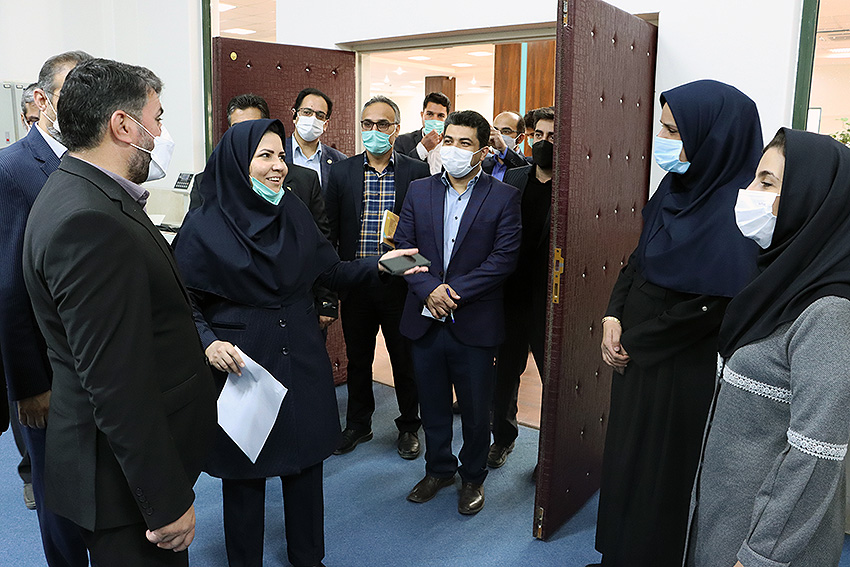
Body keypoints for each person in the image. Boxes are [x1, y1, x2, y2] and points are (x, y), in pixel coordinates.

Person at [173, 118, 425, 567]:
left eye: (280, 156)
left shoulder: (291, 210)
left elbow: (329, 271)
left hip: (302, 353)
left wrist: (380, 266)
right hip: (244, 365)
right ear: (237, 163)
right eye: (265, 156)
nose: (278, 166)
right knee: (245, 473)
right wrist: (207, 343)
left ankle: (308, 558)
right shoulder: (205, 223)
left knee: (307, 462)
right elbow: (181, 302)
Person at [22, 57, 217, 567]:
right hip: (122, 485)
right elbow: (116, 383)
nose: (161, 133)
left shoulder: (83, 190)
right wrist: (165, 502)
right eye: (157, 118)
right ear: (123, 125)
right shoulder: (89, 221)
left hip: (116, 468)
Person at [593, 80, 764, 567]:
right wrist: (612, 315)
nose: (662, 140)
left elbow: (711, 305)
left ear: (713, 137)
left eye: (673, 131)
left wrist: (636, 341)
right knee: (625, 459)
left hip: (678, 369)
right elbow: (638, 259)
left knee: (659, 473)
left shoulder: (735, 210)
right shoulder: (675, 187)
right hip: (636, 355)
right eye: (663, 128)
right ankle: (616, 556)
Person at [687, 129, 850, 567]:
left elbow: (816, 455)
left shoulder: (831, 313)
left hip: (764, 541)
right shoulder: (781, 282)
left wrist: (761, 556)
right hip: (731, 513)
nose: (750, 192)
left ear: (810, 199)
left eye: (767, 181)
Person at [395, 109, 522, 515]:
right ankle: (439, 469)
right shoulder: (419, 190)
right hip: (425, 318)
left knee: (475, 409)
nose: (453, 149)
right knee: (432, 404)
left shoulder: (503, 196)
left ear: (482, 151)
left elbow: (503, 259)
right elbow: (401, 250)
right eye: (448, 140)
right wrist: (429, 289)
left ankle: (472, 477)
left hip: (475, 321)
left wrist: (452, 292)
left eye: (464, 143)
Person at [0, 50, 93, 567]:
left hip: (94, 361)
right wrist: (29, 385)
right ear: (41, 99)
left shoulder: (92, 159)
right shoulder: (12, 169)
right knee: (57, 494)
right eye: (70, 92)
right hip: (48, 372)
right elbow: (8, 289)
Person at [325, 95, 430, 459]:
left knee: (404, 359)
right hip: (357, 281)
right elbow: (330, 232)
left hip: (401, 284)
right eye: (367, 124)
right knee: (358, 358)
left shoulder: (417, 172)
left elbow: (425, 232)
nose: (374, 130)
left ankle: (409, 425)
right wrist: (331, 284)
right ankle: (358, 424)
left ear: (396, 129)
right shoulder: (342, 172)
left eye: (382, 124)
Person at [489, 107, 554, 469]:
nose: (544, 142)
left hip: (550, 300)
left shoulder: (572, 184)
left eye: (553, 136)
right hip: (511, 295)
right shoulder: (513, 177)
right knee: (504, 374)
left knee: (553, 381)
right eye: (538, 135)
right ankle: (503, 438)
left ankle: (552, 456)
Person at [189, 93, 271, 210]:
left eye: (251, 127)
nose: (243, 133)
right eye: (237, 128)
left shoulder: (293, 178)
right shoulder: (204, 182)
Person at [286, 87, 347, 194]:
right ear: (295, 116)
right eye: (307, 112)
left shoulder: (339, 161)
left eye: (320, 115)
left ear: (325, 124)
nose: (313, 118)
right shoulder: (276, 152)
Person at [394, 91, 451, 174]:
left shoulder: (452, 145)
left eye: (440, 116)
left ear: (447, 118)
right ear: (422, 115)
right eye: (430, 114)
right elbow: (399, 171)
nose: (434, 119)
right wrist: (422, 148)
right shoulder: (402, 141)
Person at [482, 111, 529, 181]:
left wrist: (503, 149)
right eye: (495, 130)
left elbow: (524, 168)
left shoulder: (527, 165)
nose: (498, 135)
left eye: (506, 131)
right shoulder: (483, 163)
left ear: (520, 138)